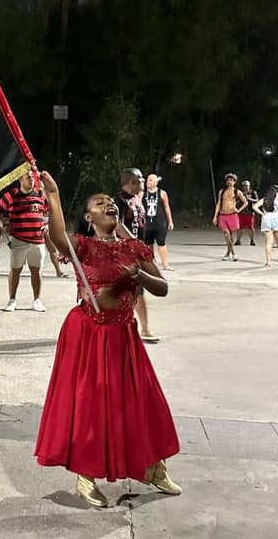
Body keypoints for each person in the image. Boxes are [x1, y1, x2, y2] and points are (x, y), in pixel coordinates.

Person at [35, 171, 181, 507]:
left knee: (142, 403)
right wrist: (54, 196)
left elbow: (162, 288)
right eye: (100, 203)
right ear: (90, 217)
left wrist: (139, 274)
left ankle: (152, 467)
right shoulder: (84, 247)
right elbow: (57, 238)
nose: (109, 204)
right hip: (89, 333)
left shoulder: (134, 247)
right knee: (91, 405)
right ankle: (86, 477)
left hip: (123, 335)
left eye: (111, 202)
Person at [114, 167, 158, 342]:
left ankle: (145, 328)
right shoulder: (119, 201)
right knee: (130, 291)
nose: (143, 181)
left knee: (138, 290)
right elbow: (116, 224)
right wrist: (133, 242)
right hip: (124, 253)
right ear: (131, 182)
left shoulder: (136, 200)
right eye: (140, 179)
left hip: (136, 252)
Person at [0, 171, 48, 312]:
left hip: (38, 239)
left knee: (36, 270)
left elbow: (47, 210)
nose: (31, 180)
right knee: (15, 270)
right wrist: (3, 224)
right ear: (20, 179)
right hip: (18, 240)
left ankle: (37, 300)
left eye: (32, 178)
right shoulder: (11, 195)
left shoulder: (40, 194)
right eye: (28, 178)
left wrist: (47, 224)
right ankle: (12, 300)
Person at [211, 173, 248, 261]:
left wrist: (238, 210)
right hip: (223, 215)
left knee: (230, 236)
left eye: (231, 180)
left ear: (235, 182)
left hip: (232, 215)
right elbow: (218, 204)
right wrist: (215, 216)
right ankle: (233, 253)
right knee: (226, 234)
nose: (229, 182)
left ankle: (228, 253)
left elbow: (245, 202)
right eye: (228, 180)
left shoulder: (237, 191)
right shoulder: (222, 191)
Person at [142, 174, 175, 270]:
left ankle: (165, 264)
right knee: (148, 244)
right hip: (147, 223)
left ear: (156, 182)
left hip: (160, 223)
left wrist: (170, 221)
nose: (148, 182)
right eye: (147, 180)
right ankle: (151, 262)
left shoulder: (162, 193)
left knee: (161, 243)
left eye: (151, 180)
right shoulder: (142, 194)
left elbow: (166, 207)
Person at [252, 185, 278, 266]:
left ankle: (268, 261)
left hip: (266, 220)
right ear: (277, 192)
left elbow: (255, 206)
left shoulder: (264, 199)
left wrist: (262, 214)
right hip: (277, 219)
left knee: (269, 242)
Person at [235, 180, 258, 246]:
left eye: (247, 186)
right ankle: (238, 240)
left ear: (249, 186)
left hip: (250, 212)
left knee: (250, 227)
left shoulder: (253, 192)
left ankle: (252, 240)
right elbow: (236, 201)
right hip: (241, 212)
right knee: (240, 227)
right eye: (244, 186)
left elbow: (256, 200)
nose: (245, 187)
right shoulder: (240, 193)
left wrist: (248, 198)